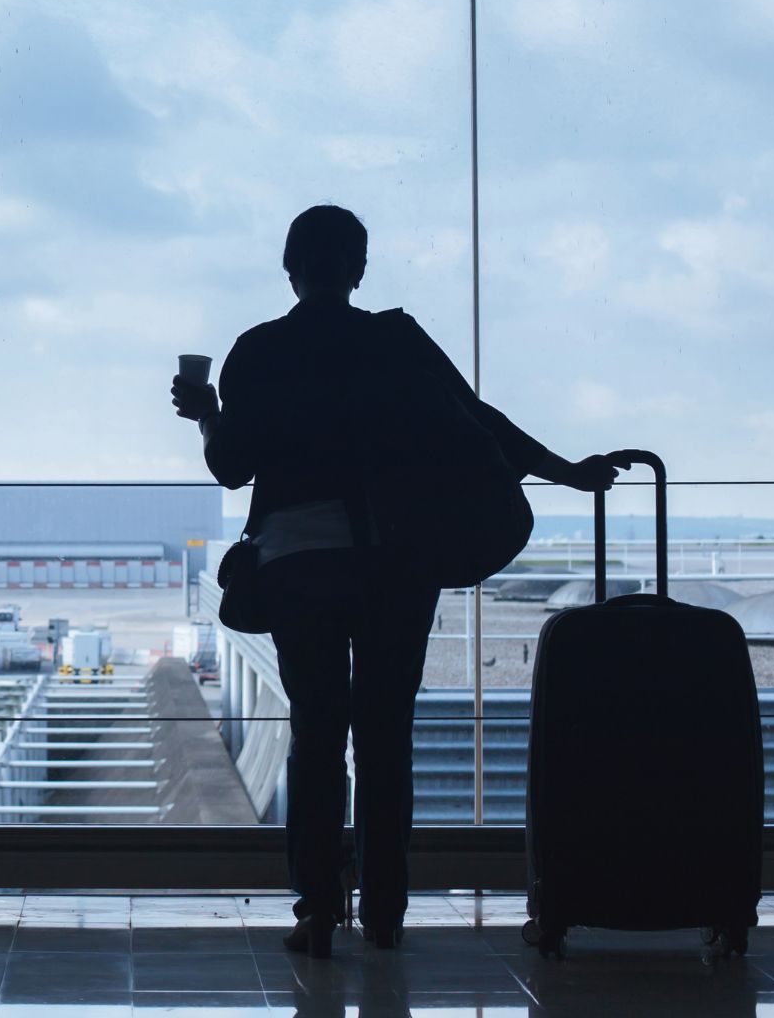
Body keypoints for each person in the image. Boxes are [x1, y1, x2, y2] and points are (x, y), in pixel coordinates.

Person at [169, 205, 615, 958]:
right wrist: (567, 471)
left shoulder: (259, 349)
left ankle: (317, 912)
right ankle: (384, 913)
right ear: (359, 269)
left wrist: (208, 414)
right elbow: (478, 420)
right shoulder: (396, 340)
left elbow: (231, 467)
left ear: (289, 268)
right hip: (395, 561)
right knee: (384, 737)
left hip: (298, 563)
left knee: (317, 735)